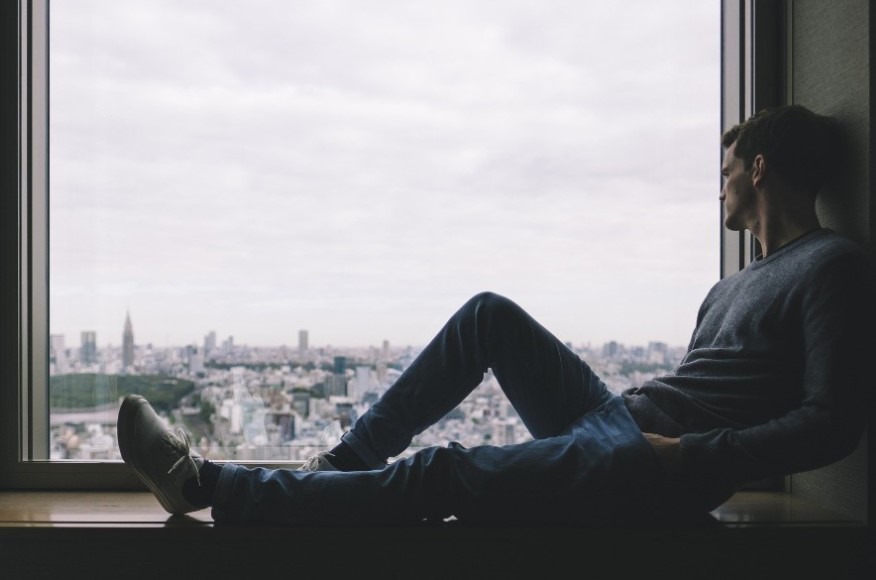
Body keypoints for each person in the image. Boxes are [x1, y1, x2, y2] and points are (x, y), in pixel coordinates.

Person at [118, 104, 874, 526]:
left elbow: (833, 423)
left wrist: (688, 456)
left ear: (759, 169)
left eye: (726, 171)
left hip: (654, 461)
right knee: (489, 315)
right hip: (625, 422)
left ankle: (206, 484)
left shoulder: (829, 264)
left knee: (443, 471)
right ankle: (341, 465)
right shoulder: (729, 286)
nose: (719, 188)